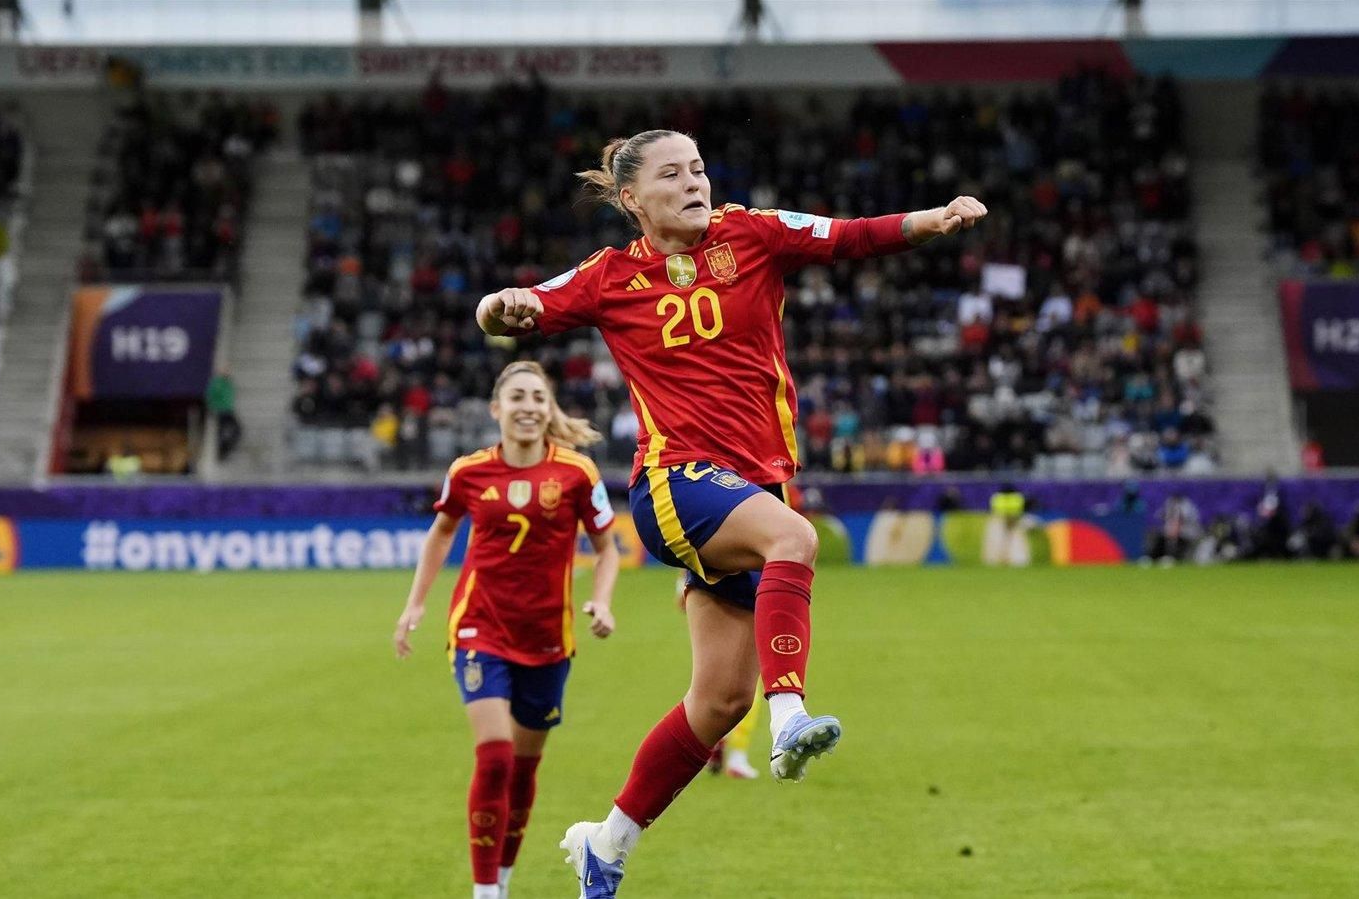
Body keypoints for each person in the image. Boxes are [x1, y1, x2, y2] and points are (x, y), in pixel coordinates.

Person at [473, 129, 985, 896]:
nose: (693, 182)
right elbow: (507, 312)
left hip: (752, 487)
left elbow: (849, 236)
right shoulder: (608, 277)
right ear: (631, 200)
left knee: (717, 701)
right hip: (674, 483)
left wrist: (934, 218)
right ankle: (790, 723)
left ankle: (605, 844)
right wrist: (499, 304)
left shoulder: (752, 233)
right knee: (795, 541)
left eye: (699, 169)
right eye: (672, 174)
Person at [392, 361, 621, 899]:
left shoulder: (577, 474)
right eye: (516, 397)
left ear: (549, 409)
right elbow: (440, 532)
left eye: (538, 398)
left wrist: (602, 602)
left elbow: (608, 548)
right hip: (479, 629)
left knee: (522, 770)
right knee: (495, 757)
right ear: (496, 409)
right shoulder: (469, 472)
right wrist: (414, 605)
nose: (528, 407)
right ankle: (484, 892)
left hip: (547, 639)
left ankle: (505, 879)